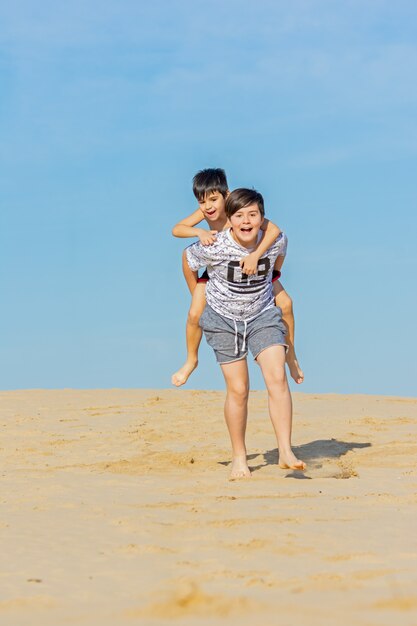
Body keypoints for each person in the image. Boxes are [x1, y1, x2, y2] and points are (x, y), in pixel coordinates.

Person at [184, 187, 306, 479]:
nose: (246, 221)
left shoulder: (276, 241)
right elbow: (188, 262)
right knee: (238, 390)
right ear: (231, 218)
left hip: (262, 315)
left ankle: (285, 450)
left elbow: (278, 263)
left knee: (276, 376)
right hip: (223, 320)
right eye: (239, 215)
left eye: (253, 215)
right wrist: (196, 294)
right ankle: (239, 457)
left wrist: (269, 279)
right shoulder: (215, 245)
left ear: (262, 218)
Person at [171, 168, 303, 387]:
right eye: (202, 202)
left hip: (256, 272)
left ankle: (291, 355)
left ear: (227, 195)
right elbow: (177, 230)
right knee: (195, 313)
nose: (209, 206)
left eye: (214, 199)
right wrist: (199, 233)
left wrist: (261, 260)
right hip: (218, 275)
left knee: (287, 304)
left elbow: (274, 230)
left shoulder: (238, 209)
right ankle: (191, 360)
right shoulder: (205, 213)